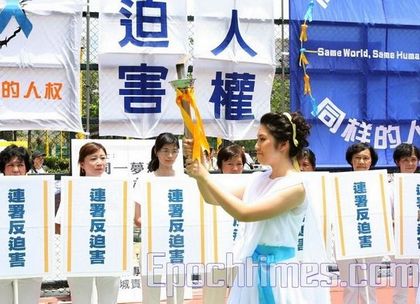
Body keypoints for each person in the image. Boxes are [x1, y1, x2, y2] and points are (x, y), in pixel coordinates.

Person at [184, 112, 313, 303]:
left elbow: (245, 213)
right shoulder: (259, 179)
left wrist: (204, 177)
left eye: (262, 139)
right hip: (249, 273)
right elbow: (211, 197)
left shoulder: (295, 187)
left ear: (284, 145)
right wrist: (199, 169)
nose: (256, 146)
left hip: (279, 277)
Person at [61, 142, 120, 304]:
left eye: (102, 158)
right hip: (79, 254)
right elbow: (59, 224)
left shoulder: (117, 186)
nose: (99, 162)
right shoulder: (73, 188)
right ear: (81, 164)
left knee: (109, 299)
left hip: (110, 252)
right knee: (81, 299)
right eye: (93, 158)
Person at [133, 132, 184, 304]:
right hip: (152, 245)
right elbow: (137, 218)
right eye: (165, 150)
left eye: (174, 151)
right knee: (151, 294)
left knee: (176, 295)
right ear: (156, 151)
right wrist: (158, 228)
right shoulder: (145, 180)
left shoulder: (184, 179)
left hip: (177, 244)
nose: (170, 155)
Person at [337, 142, 380, 304]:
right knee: (350, 286)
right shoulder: (338, 183)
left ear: (371, 161)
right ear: (351, 160)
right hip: (345, 241)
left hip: (371, 241)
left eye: (365, 158)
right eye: (357, 158)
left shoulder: (381, 184)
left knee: (369, 287)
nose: (361, 162)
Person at [0, 144, 43, 304]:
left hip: (30, 259)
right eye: (10, 165)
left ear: (27, 168)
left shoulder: (40, 191)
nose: (16, 169)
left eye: (20, 165)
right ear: (3, 169)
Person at [391, 143, 419, 304]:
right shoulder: (389, 186)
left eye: (414, 160)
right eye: (405, 160)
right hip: (399, 242)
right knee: (400, 287)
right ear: (397, 162)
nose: (410, 164)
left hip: (419, 240)